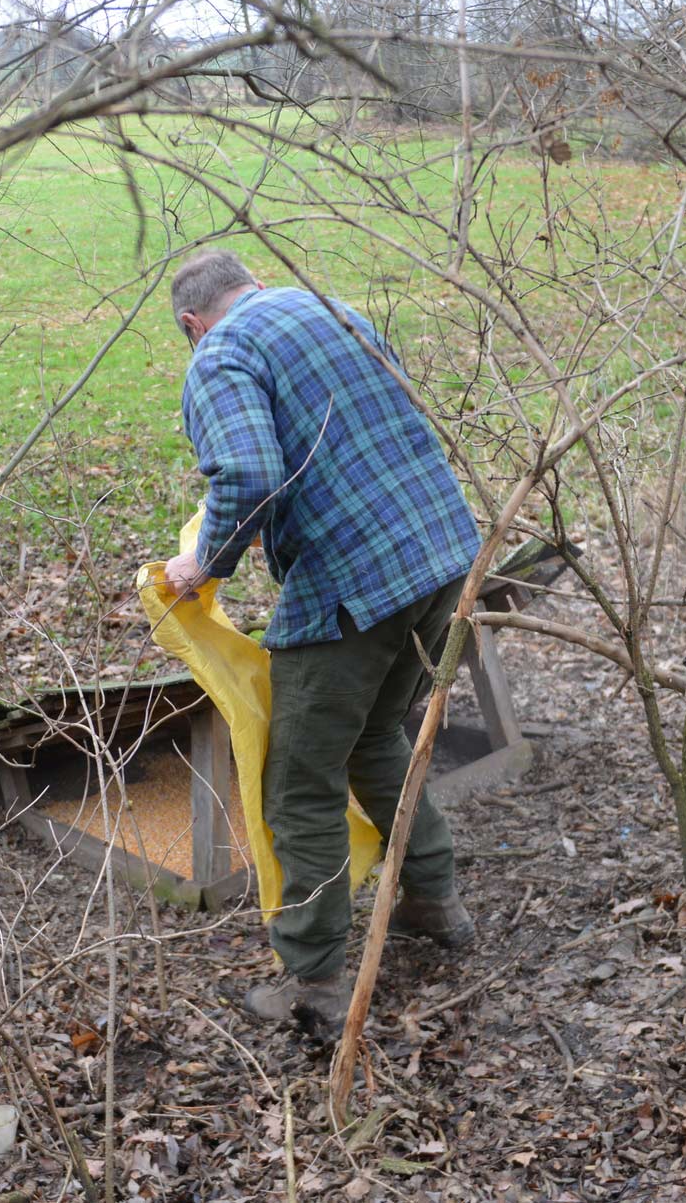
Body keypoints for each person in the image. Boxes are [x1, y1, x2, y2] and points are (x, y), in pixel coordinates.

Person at [162, 249, 482, 1038]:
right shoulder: (334, 307)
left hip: (356, 584)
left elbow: (248, 473)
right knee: (375, 734)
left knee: (299, 779)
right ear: (256, 286)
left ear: (192, 323)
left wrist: (205, 563)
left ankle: (315, 982)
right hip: (445, 557)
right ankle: (435, 899)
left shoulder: (221, 352)